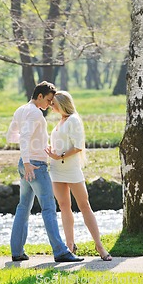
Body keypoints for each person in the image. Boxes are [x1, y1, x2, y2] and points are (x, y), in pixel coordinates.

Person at [6, 81, 83, 263]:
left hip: (26, 163)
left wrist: (36, 145)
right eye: (48, 100)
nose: (50, 104)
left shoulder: (21, 109)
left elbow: (11, 136)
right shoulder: (34, 113)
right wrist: (28, 161)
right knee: (48, 207)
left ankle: (17, 251)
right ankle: (61, 252)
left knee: (23, 206)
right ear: (39, 96)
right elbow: (24, 137)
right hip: (35, 166)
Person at [44, 91, 112, 261]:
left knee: (84, 205)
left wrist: (59, 156)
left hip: (71, 169)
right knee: (64, 206)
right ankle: (69, 246)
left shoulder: (73, 120)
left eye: (53, 103)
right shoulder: (61, 121)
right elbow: (60, 144)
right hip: (56, 170)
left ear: (62, 103)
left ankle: (99, 246)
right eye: (50, 103)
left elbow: (78, 146)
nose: (51, 106)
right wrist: (51, 153)